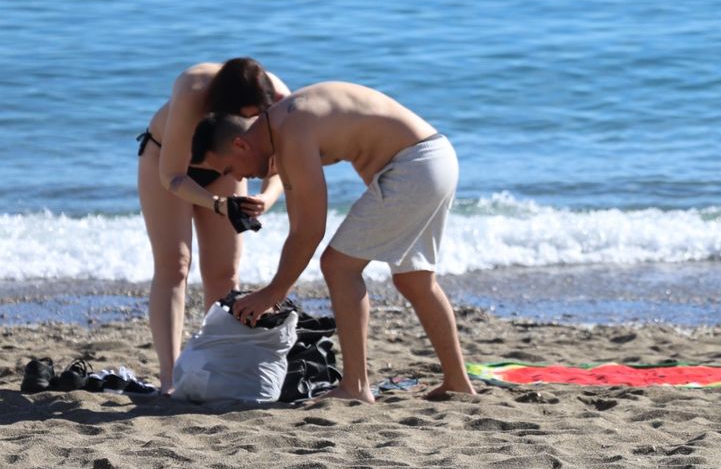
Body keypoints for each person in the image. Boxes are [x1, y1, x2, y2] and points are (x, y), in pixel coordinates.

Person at [190, 81, 475, 403]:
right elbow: (299, 227)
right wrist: (275, 287)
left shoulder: (292, 132)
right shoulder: (281, 127)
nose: (238, 179)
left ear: (240, 144)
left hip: (414, 166)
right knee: (415, 280)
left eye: (230, 169)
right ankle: (457, 382)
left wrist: (273, 292)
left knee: (339, 266)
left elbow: (311, 230)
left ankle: (355, 386)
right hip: (434, 159)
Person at [138, 58, 290, 393]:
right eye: (244, 115)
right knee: (174, 264)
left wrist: (266, 198)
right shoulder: (193, 89)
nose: (250, 121)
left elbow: (283, 165)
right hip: (168, 162)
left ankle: (215, 368)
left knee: (224, 272)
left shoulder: (278, 97)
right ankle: (169, 378)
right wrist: (219, 205)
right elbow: (172, 177)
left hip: (228, 168)